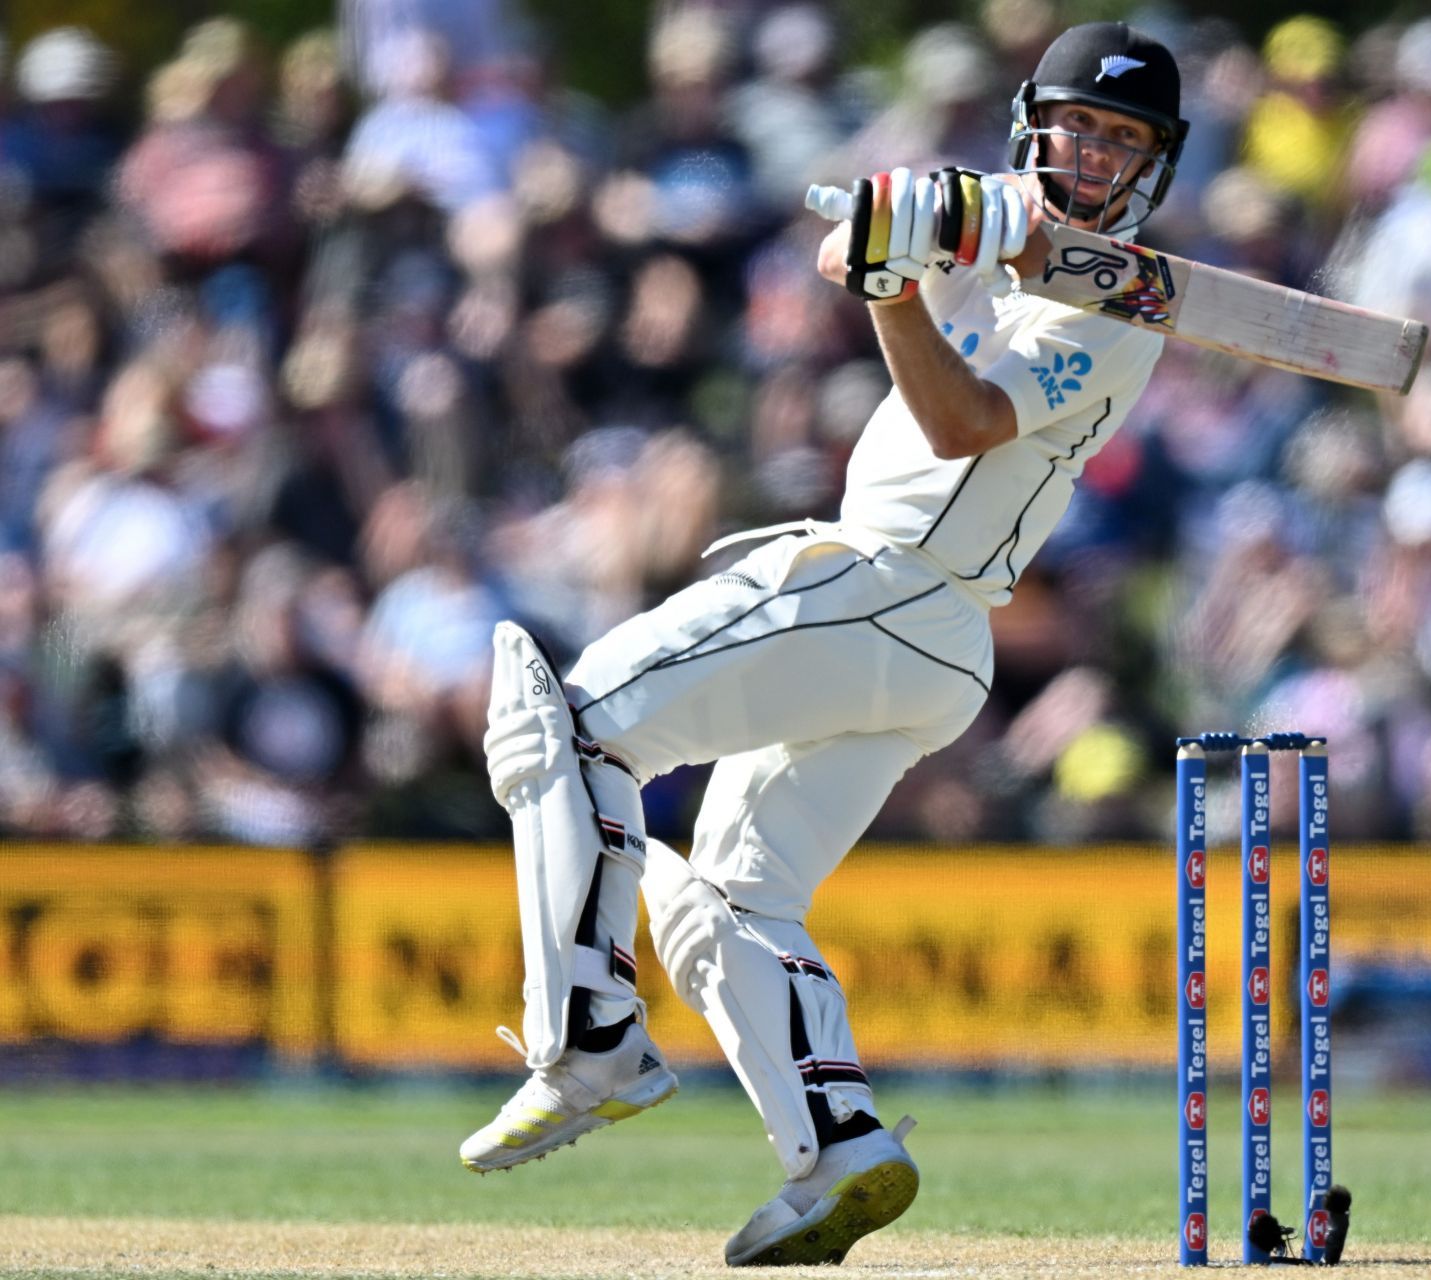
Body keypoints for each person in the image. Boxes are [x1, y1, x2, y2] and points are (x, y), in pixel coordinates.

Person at [458, 22, 1186, 1267]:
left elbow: (959, 423)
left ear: (1153, 164)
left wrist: (892, 284)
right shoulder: (1001, 223)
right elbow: (838, 241)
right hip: (921, 637)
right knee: (734, 900)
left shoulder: (1129, 299)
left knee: (569, 721)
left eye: (1124, 138)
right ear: (1033, 124)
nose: (1096, 152)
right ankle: (840, 1138)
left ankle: (581, 1036)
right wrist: (896, 223)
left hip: (898, 585)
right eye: (1079, 125)